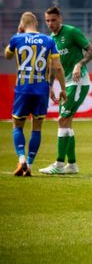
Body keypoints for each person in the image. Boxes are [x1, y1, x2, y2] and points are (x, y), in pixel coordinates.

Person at [4, 12, 67, 176]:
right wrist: (63, 88)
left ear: (21, 24)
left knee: (18, 125)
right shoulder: (48, 40)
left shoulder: (17, 39)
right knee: (37, 128)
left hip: (23, 88)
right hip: (41, 89)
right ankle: (30, 165)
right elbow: (57, 67)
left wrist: (18, 34)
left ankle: (21, 159)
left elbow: (7, 55)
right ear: (36, 24)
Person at [39, 7, 92, 175]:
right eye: (47, 20)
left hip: (78, 82)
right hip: (67, 85)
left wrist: (79, 64)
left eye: (53, 20)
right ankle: (71, 165)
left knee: (62, 120)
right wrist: (50, 86)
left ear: (60, 18)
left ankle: (58, 163)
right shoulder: (51, 39)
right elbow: (53, 66)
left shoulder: (71, 32)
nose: (50, 23)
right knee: (66, 122)